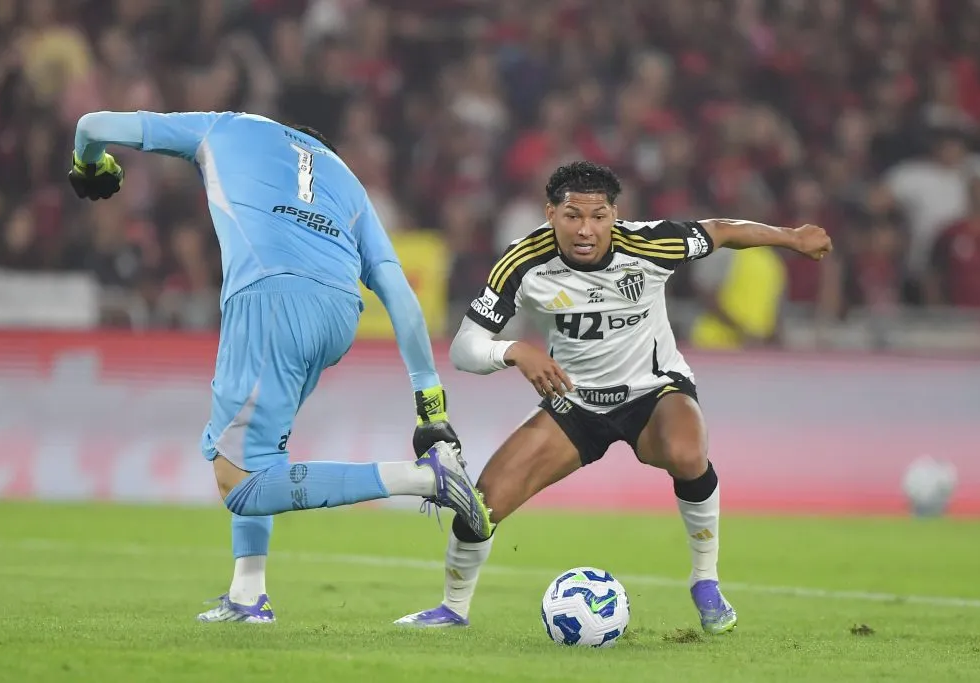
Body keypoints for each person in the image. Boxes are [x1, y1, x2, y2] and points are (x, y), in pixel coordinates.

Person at [67, 110, 493, 623]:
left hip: (269, 298)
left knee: (241, 482)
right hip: (339, 313)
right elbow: (399, 295)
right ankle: (248, 594)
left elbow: (92, 126)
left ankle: (426, 480)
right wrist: (430, 407)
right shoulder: (348, 182)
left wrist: (91, 167)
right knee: (257, 450)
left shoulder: (224, 127)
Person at [395, 161, 832, 634]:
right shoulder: (522, 261)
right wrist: (515, 351)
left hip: (654, 390)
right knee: (484, 503)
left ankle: (705, 581)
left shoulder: (648, 243)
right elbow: (465, 347)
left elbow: (722, 230)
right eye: (572, 216)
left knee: (688, 453)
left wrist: (792, 237)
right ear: (550, 214)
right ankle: (452, 608)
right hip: (576, 404)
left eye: (598, 216)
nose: (586, 230)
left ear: (614, 215)